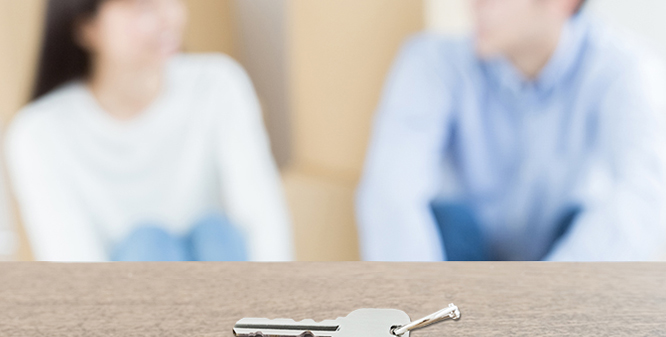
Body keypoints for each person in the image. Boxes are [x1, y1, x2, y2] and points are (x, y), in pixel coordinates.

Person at [357, 0, 666, 262]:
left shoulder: (624, 69)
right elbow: (390, 192)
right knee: (447, 221)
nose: (474, 4)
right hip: (462, 256)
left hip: (563, 256)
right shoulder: (432, 61)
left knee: (596, 223)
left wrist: (550, 294)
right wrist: (420, 300)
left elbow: (644, 194)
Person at [5, 0, 293, 262]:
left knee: (215, 234)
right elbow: (75, 263)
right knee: (149, 245)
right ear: (87, 28)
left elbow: (262, 218)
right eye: (143, 7)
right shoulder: (39, 132)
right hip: (124, 294)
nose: (169, 16)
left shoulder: (218, 83)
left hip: (227, 277)